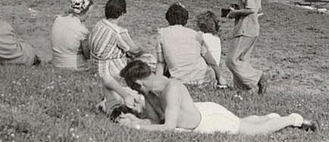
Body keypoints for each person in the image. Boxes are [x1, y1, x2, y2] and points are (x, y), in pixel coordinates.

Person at [113, 60, 316, 135]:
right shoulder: (148, 92)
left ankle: (293, 119)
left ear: (138, 83)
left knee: (253, 131)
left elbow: (168, 127)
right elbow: (157, 121)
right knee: (243, 122)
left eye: (132, 87)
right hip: (201, 112)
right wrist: (136, 120)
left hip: (208, 120)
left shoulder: (171, 89)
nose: (133, 91)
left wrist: (136, 127)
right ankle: (272, 117)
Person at [91, 0, 145, 111]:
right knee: (146, 60)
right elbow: (135, 50)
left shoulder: (99, 24)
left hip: (95, 67)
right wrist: (143, 51)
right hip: (111, 70)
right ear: (122, 13)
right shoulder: (118, 32)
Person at [155, 3, 226, 87]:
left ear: (168, 18)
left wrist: (156, 82)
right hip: (203, 79)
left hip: (179, 79)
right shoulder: (196, 35)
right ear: (186, 19)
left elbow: (161, 63)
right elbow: (212, 62)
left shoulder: (162, 34)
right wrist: (221, 78)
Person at [225, 0, 268, 94]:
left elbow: (251, 9)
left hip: (245, 28)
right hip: (254, 28)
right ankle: (242, 88)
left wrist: (234, 13)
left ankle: (257, 77)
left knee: (231, 60)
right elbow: (258, 9)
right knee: (243, 59)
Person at [50, 0, 92, 70]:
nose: (90, 15)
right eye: (89, 13)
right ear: (82, 12)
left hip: (56, 63)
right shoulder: (82, 31)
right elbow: (88, 55)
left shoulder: (58, 20)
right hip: (76, 67)